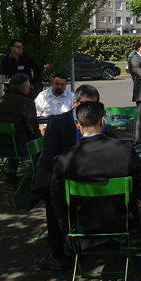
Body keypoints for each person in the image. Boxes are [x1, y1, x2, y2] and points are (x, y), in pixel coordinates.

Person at [50, 102, 141, 264]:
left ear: (77, 124)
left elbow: (57, 203)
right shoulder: (125, 150)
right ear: (103, 121)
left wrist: (67, 229)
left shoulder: (63, 160)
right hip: (121, 221)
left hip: (82, 224)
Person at [31, 84, 113, 271]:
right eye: (85, 105)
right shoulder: (58, 123)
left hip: (95, 180)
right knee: (53, 192)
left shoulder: (101, 123)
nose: (89, 110)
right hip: (67, 180)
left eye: (94, 106)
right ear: (75, 103)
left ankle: (106, 234)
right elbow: (50, 161)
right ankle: (58, 254)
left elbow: (113, 148)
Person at [0, 73, 41, 184]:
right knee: (42, 144)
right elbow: (33, 127)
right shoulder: (27, 102)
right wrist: (40, 137)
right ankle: (30, 174)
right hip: (17, 147)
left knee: (14, 138)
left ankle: (11, 172)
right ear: (25, 88)